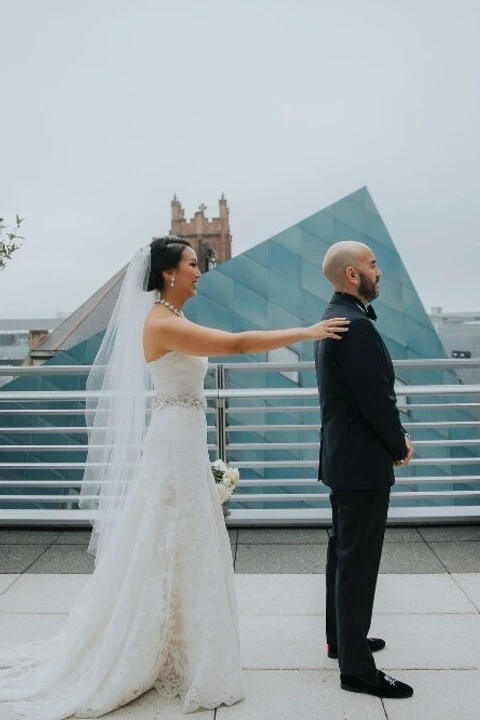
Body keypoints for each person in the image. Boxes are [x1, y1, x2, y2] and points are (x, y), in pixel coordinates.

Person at [0, 236, 349, 720]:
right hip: (174, 445)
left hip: (182, 439)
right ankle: (163, 644)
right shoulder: (162, 323)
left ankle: (177, 639)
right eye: (191, 264)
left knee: (178, 540)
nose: (198, 271)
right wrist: (308, 332)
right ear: (168, 273)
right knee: (175, 538)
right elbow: (239, 344)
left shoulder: (176, 319)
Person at [314, 240, 415, 700]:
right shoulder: (356, 326)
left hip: (342, 458)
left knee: (344, 554)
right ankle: (357, 669)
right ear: (353, 274)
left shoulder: (334, 317)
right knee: (358, 561)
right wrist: (399, 445)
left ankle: (343, 639)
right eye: (373, 264)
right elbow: (377, 400)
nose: (379, 272)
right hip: (362, 462)